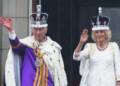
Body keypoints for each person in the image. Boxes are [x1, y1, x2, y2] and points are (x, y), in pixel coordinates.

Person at [0, 4, 67, 86]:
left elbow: (59, 74)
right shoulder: (27, 45)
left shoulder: (54, 48)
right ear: (32, 29)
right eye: (35, 29)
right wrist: (11, 30)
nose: (38, 32)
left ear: (46, 29)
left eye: (40, 29)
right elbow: (16, 46)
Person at [73, 7, 120, 86]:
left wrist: (118, 82)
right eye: (96, 32)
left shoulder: (113, 47)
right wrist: (81, 43)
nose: (99, 34)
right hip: (92, 82)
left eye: (101, 32)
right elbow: (76, 56)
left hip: (109, 83)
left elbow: (119, 67)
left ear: (106, 33)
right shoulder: (90, 47)